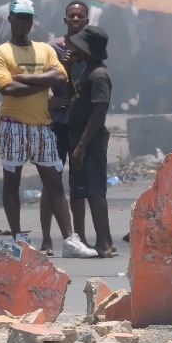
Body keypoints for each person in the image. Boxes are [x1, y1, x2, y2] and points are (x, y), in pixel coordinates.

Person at [0, 0, 94, 258]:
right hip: (13, 125)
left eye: (28, 18)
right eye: (20, 17)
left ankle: (69, 239)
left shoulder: (44, 50)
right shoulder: (0, 52)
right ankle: (18, 238)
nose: (24, 22)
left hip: (42, 125)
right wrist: (40, 84)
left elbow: (60, 76)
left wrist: (24, 78)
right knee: (12, 182)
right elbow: (6, 88)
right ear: (10, 18)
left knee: (54, 183)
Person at [42, 0, 90, 243]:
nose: (75, 19)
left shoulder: (90, 50)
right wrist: (48, 103)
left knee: (78, 182)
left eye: (80, 16)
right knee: (52, 179)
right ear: (65, 20)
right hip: (58, 123)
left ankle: (78, 237)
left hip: (81, 124)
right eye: (71, 15)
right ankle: (47, 238)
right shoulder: (53, 49)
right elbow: (38, 83)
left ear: (87, 20)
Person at [66, 26, 116, 258]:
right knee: (86, 190)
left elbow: (99, 113)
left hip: (90, 143)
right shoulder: (86, 71)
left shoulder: (98, 75)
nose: (73, 48)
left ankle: (104, 243)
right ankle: (104, 241)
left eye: (78, 45)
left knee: (96, 191)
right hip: (80, 140)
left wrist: (82, 146)